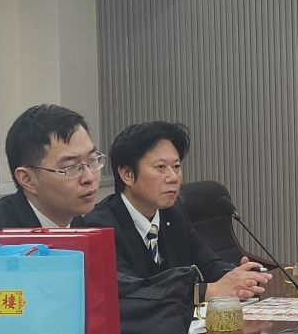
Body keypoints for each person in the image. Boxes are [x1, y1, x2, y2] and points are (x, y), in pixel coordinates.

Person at [85, 121, 270, 299]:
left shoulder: (173, 212)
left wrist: (237, 276)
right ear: (127, 174)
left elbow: (206, 262)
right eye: (161, 167)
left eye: (176, 167)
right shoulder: (99, 227)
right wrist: (206, 291)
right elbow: (132, 293)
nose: (173, 177)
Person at [0, 103, 105, 237]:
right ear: (27, 179)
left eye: (92, 160)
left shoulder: (87, 223)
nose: (89, 177)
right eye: (71, 167)